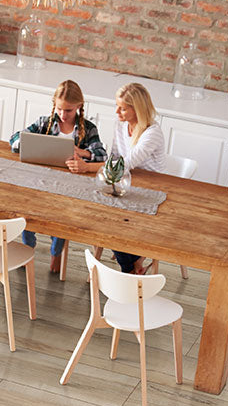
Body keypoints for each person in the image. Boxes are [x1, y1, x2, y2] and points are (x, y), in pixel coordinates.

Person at [10, 79, 106, 274]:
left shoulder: (88, 129)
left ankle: (56, 252)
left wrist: (83, 153)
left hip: (69, 187)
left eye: (68, 110)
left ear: (79, 106)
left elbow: (103, 156)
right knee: (26, 211)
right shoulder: (44, 123)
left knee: (61, 218)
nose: (63, 114)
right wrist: (30, 143)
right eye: (59, 109)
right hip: (39, 181)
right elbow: (14, 140)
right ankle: (28, 247)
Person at [68, 82, 166, 274]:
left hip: (150, 187)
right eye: (117, 106)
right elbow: (113, 158)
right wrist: (86, 156)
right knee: (104, 218)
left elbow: (125, 163)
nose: (117, 112)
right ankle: (134, 264)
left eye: (122, 108)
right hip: (125, 182)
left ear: (137, 109)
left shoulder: (152, 132)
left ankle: (129, 268)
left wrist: (87, 167)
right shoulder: (121, 125)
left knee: (111, 220)